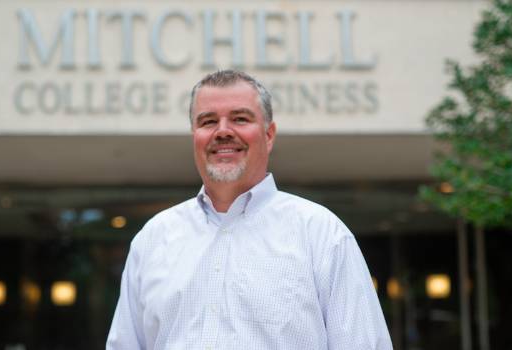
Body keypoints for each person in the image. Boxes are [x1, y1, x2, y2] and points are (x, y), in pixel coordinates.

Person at [106, 70, 392, 350]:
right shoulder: (154, 239)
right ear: (195, 134)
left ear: (269, 135)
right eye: (208, 121)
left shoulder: (322, 234)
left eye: (240, 119)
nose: (223, 132)